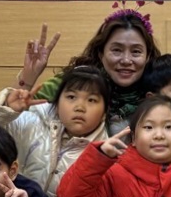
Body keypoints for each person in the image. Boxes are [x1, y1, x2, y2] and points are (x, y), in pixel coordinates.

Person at [0, 65, 111, 197]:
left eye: (92, 100)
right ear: (57, 103)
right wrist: (6, 108)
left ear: (105, 112)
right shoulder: (32, 122)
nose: (80, 107)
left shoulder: (106, 156)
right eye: (71, 97)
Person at [23, 10, 162, 134]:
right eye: (116, 50)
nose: (126, 60)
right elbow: (17, 113)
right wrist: (28, 78)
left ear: (148, 56)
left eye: (136, 52)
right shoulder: (76, 82)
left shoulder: (158, 91)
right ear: (101, 54)